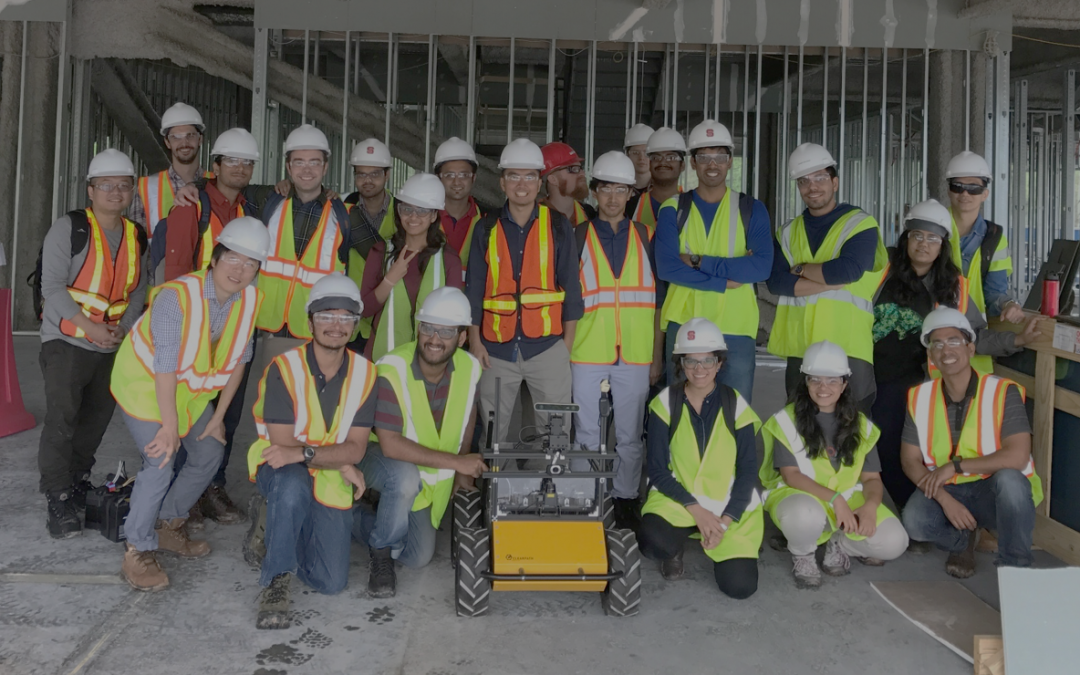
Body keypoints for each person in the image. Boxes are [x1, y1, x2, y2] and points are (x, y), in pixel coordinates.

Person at [110, 218, 268, 591]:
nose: (239, 270)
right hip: (145, 385)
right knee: (161, 458)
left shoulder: (249, 300)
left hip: (188, 391)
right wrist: (169, 427)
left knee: (210, 451)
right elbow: (164, 366)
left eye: (250, 263)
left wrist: (219, 417)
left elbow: (240, 360)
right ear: (215, 258)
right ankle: (137, 547)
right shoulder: (176, 297)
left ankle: (168, 524)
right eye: (233, 258)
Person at [872, 199, 1038, 509]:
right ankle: (918, 512)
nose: (924, 244)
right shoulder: (881, 271)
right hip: (874, 377)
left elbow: (974, 336)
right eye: (917, 235)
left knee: (910, 451)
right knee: (879, 448)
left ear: (942, 245)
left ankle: (922, 511)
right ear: (906, 238)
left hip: (923, 383)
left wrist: (1016, 340)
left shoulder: (954, 287)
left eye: (932, 238)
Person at [243, 274, 375, 629]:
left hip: (318, 470)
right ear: (310, 321)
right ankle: (276, 580)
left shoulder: (366, 374)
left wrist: (334, 460)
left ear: (355, 324)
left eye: (345, 317)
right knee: (291, 486)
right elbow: (283, 448)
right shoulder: (284, 369)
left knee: (330, 582)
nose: (336, 325)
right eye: (326, 316)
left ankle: (278, 526)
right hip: (279, 468)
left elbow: (356, 449)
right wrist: (339, 460)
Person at [150, 127, 263, 527]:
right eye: (231, 160)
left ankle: (213, 484)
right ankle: (186, 490)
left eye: (247, 162)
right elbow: (176, 273)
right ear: (215, 165)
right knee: (190, 408)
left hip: (232, 328)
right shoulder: (191, 207)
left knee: (226, 415)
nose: (239, 168)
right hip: (194, 328)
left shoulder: (250, 211)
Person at [38, 149, 147, 539]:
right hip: (66, 341)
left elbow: (138, 289)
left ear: (132, 190)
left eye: (123, 185)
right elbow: (52, 287)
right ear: (90, 190)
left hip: (110, 346)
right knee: (62, 421)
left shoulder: (135, 234)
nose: (115, 192)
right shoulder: (70, 228)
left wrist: (124, 328)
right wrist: (91, 327)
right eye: (106, 185)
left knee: (95, 421)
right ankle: (57, 496)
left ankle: (77, 481)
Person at [354, 287, 486, 597]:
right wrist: (458, 463)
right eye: (428, 328)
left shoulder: (469, 368)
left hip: (424, 476)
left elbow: (468, 414)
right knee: (403, 478)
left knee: (417, 555)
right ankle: (378, 546)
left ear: (462, 338)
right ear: (418, 328)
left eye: (446, 331)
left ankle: (364, 516)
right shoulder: (392, 369)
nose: (434, 339)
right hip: (375, 456)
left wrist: (462, 471)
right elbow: (390, 445)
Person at [901, 307, 1042, 578]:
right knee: (915, 522)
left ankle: (1017, 570)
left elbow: (1017, 457)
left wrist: (955, 467)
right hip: (949, 489)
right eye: (937, 344)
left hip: (992, 490)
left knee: (1011, 482)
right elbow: (909, 460)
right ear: (931, 356)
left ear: (971, 348)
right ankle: (962, 539)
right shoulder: (920, 397)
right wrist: (943, 499)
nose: (946, 350)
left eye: (954, 341)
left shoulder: (1002, 391)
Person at [464, 138, 583, 447]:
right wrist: (475, 342)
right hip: (495, 351)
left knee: (555, 435)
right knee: (494, 437)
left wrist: (565, 348)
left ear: (539, 183)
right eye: (514, 176)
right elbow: (474, 290)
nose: (522, 184)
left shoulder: (558, 226)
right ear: (502, 182)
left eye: (529, 176)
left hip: (547, 348)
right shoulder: (485, 228)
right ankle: (497, 480)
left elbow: (572, 289)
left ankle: (547, 480)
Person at [761, 341, 908, 589]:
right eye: (815, 380)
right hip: (800, 497)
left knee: (894, 541)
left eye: (832, 380)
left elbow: (872, 479)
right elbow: (791, 475)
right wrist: (836, 500)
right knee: (804, 515)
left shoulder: (861, 425)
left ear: (844, 384)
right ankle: (803, 553)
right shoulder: (787, 420)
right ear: (805, 382)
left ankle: (839, 543)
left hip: (847, 500)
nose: (823, 387)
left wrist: (870, 506)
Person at [570, 151, 663, 531]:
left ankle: (625, 499)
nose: (612, 197)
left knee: (629, 435)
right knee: (586, 432)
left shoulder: (647, 237)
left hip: (636, 354)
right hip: (586, 350)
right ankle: (585, 497)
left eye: (620, 189)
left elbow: (658, 303)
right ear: (594, 192)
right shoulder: (577, 236)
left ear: (630, 194)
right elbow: (568, 301)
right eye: (605, 189)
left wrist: (656, 356)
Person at [639, 319, 762, 599]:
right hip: (680, 500)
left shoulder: (735, 404)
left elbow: (747, 471)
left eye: (708, 360)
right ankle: (676, 545)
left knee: (740, 587)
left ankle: (713, 533)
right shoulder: (665, 403)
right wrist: (698, 512)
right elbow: (657, 469)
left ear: (719, 363)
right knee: (654, 540)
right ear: (681, 364)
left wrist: (724, 522)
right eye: (691, 361)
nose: (699, 369)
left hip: (726, 504)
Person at [654, 120, 772, 401]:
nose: (712, 164)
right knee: (681, 410)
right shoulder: (673, 209)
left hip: (736, 327)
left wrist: (697, 261)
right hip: (684, 324)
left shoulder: (751, 209)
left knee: (735, 411)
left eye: (719, 156)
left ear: (730, 161)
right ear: (693, 163)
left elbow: (761, 267)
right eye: (704, 157)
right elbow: (668, 267)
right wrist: (723, 282)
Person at [767, 142, 887, 413]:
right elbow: (775, 282)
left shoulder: (860, 224)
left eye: (820, 177)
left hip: (849, 346)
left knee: (852, 423)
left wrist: (799, 269)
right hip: (800, 346)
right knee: (800, 422)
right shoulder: (787, 232)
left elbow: (847, 271)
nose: (812, 186)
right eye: (804, 181)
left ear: (835, 182)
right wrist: (826, 280)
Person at [360, 173, 463, 362]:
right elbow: (364, 309)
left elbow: (455, 317)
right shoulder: (380, 252)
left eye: (422, 211)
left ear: (434, 215)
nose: (413, 216)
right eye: (406, 209)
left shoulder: (449, 260)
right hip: (384, 360)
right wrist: (389, 279)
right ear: (399, 211)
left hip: (431, 364)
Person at [944, 151, 1026, 362]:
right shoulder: (931, 229)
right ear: (949, 190)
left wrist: (1008, 304)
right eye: (958, 186)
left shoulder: (995, 238)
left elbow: (993, 292)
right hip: (927, 331)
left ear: (985, 194)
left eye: (974, 188)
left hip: (972, 336)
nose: (965, 193)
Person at [133, 102, 211, 239]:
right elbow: (138, 243)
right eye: (176, 137)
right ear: (167, 142)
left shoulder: (216, 183)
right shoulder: (145, 188)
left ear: (200, 139)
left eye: (190, 135)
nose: (184, 143)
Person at [433, 136, 485, 276]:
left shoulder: (488, 220)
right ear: (438, 178)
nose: (457, 182)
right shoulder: (422, 217)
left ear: (473, 178)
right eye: (449, 175)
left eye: (464, 175)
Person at [624, 127, 685, 231]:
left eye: (671, 157)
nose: (663, 162)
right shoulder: (629, 207)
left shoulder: (694, 205)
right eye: (656, 157)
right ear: (650, 164)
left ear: (682, 165)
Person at [539, 141, 596, 226]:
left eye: (580, 168)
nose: (582, 173)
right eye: (573, 169)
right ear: (553, 179)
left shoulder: (589, 214)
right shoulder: (532, 218)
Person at [623, 123, 655, 191]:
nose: (641, 158)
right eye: (636, 153)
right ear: (628, 155)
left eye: (646, 153)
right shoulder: (619, 188)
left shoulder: (664, 187)